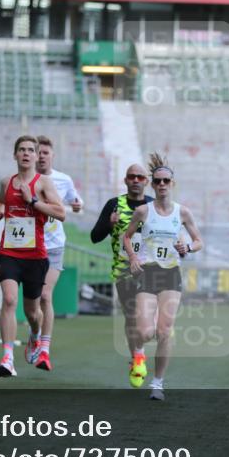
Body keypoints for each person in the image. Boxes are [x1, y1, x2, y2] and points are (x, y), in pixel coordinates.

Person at [123, 154, 203, 401]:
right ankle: (138, 353)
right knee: (146, 332)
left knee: (165, 331)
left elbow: (199, 241)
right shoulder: (142, 211)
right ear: (152, 185)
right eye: (157, 181)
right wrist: (134, 258)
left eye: (166, 181)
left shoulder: (183, 212)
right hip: (148, 273)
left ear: (173, 183)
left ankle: (157, 384)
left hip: (170, 275)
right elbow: (126, 237)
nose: (161, 185)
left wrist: (187, 248)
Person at [0, 135, 66, 377]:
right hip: (9, 252)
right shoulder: (6, 182)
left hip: (35, 256)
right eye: (21, 150)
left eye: (30, 150)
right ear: (15, 155)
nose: (26, 153)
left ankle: (35, 335)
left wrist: (32, 201)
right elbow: (0, 200)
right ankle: (7, 359)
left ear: (36, 156)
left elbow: (60, 213)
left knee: (33, 312)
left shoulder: (43, 183)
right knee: (10, 300)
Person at [90, 163, 153, 388]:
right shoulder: (114, 204)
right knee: (131, 318)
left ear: (146, 181)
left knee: (145, 318)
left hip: (150, 270)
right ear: (125, 181)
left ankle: (148, 338)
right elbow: (95, 237)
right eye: (131, 177)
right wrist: (109, 223)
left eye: (140, 177)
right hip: (123, 270)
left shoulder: (153, 206)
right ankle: (138, 358)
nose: (136, 180)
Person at [25, 135, 83, 371]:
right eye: (38, 152)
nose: (41, 156)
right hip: (30, 245)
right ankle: (34, 332)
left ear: (52, 156)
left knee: (46, 296)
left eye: (45, 153)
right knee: (33, 302)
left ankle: (45, 350)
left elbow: (75, 201)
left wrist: (78, 204)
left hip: (54, 245)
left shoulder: (63, 179)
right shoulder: (25, 179)